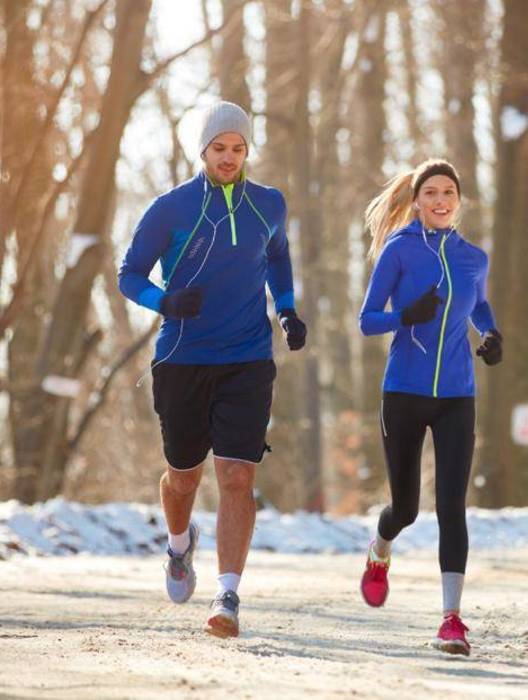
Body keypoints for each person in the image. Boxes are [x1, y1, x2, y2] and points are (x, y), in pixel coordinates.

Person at [118, 101, 306, 638]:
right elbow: (129, 274)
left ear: (249, 151)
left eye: (238, 149)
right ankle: (179, 548)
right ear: (202, 151)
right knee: (183, 477)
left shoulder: (268, 203)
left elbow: (277, 256)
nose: (229, 158)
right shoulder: (171, 208)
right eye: (220, 148)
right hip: (182, 359)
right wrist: (165, 303)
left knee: (238, 475)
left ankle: (228, 595)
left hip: (247, 358)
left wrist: (287, 309)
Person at [358, 159, 502, 656]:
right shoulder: (398, 251)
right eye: (431, 192)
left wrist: (492, 333)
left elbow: (478, 304)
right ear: (417, 200)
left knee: (452, 508)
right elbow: (366, 320)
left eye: (449, 192)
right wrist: (405, 316)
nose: (441, 200)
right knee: (406, 509)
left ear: (458, 200)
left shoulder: (472, 258)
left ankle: (451, 620)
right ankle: (380, 550)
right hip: (404, 392)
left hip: (457, 395)